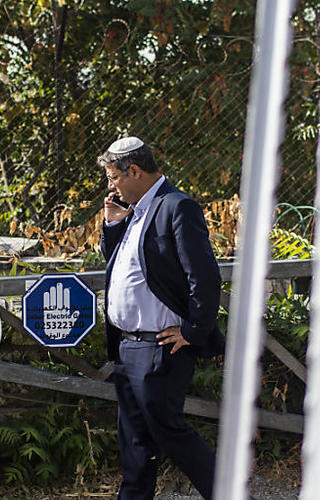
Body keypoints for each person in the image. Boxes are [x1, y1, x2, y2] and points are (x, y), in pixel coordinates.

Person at [99, 136, 224, 500]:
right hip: (128, 346)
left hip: (160, 346)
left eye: (113, 177)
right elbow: (121, 264)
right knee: (135, 441)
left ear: (134, 170)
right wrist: (112, 225)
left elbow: (204, 276)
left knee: (169, 432)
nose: (111, 186)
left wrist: (194, 330)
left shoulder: (176, 206)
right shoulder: (135, 209)